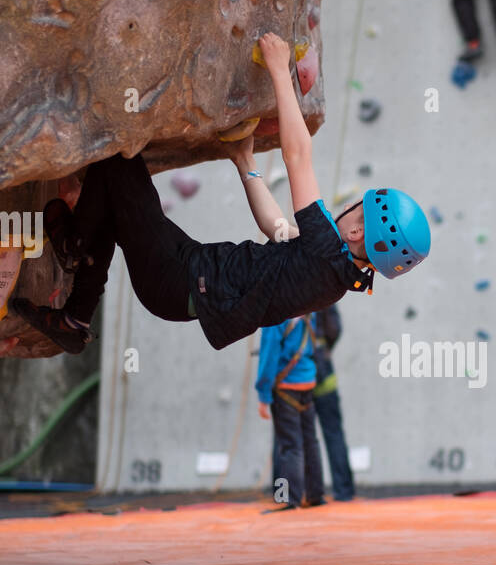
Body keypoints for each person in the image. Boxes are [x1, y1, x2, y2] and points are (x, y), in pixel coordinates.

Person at [11, 33, 431, 355]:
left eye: (354, 209)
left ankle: (74, 247)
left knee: (118, 162)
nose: (346, 209)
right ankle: (75, 313)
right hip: (186, 275)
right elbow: (277, 228)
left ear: (359, 232)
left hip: (179, 280)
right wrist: (245, 165)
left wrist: (279, 69)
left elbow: (298, 156)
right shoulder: (339, 273)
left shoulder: (326, 249)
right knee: (118, 192)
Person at [256, 314, 324, 510]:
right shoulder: (310, 308)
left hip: (285, 386)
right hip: (307, 380)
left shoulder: (277, 313)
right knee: (310, 442)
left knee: (288, 446)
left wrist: (263, 394)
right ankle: (315, 495)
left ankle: (287, 498)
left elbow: (268, 353)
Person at [311, 304, 355, 502]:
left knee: (289, 437)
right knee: (333, 432)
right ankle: (344, 491)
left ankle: (284, 494)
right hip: (322, 365)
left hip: (294, 375)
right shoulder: (324, 288)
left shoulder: (286, 287)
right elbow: (334, 327)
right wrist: (326, 347)